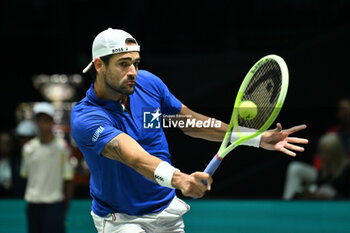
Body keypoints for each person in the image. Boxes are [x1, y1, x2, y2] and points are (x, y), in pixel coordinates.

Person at [71, 28, 308, 233]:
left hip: (165, 211)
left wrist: (253, 138)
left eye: (136, 63)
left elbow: (189, 121)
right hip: (120, 218)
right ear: (100, 65)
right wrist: (181, 179)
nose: (133, 71)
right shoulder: (87, 118)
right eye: (124, 64)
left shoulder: (148, 83)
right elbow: (134, 158)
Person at [21, 102, 74, 233]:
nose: (42, 124)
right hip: (33, 206)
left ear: (52, 122)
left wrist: (63, 209)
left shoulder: (62, 148)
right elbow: (26, 177)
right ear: (35, 122)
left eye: (46, 120)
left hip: (54, 207)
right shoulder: (28, 149)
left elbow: (69, 180)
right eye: (39, 120)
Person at [283, 98, 350, 200]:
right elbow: (319, 158)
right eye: (341, 109)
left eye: (346, 109)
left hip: (341, 172)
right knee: (295, 168)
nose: (343, 113)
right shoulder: (332, 132)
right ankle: (287, 205)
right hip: (326, 171)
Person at [284, 133, 350, 199]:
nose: (321, 156)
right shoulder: (324, 171)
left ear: (335, 153)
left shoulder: (346, 171)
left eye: (326, 153)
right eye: (320, 152)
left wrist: (333, 196)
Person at [11, 120, 37, 198]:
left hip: (35, 200)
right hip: (16, 201)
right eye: (21, 138)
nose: (23, 141)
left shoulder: (41, 157)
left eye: (27, 138)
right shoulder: (15, 159)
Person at [0, 131, 15, 197]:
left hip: (14, 199)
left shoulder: (18, 163)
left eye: (7, 143)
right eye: (1, 143)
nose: (4, 146)